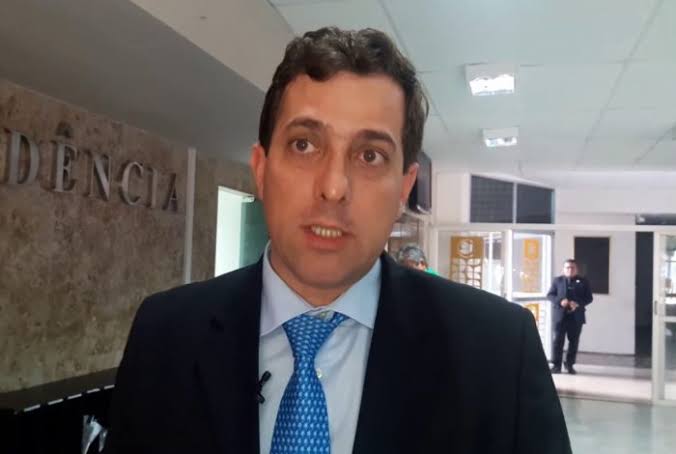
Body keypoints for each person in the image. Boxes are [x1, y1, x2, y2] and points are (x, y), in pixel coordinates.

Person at [106, 27, 571, 453]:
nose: (333, 187)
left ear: (404, 188)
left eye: (370, 155)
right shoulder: (165, 335)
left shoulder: (497, 354)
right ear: (262, 170)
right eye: (304, 145)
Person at [547, 259, 594, 375]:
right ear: (563, 269)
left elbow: (589, 298)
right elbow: (550, 295)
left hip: (576, 317)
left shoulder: (583, 281)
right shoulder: (557, 280)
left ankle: (569, 365)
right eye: (567, 267)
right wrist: (560, 301)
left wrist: (578, 304)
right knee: (558, 341)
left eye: (572, 267)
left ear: (576, 269)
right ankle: (556, 365)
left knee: (574, 342)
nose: (570, 270)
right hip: (560, 317)